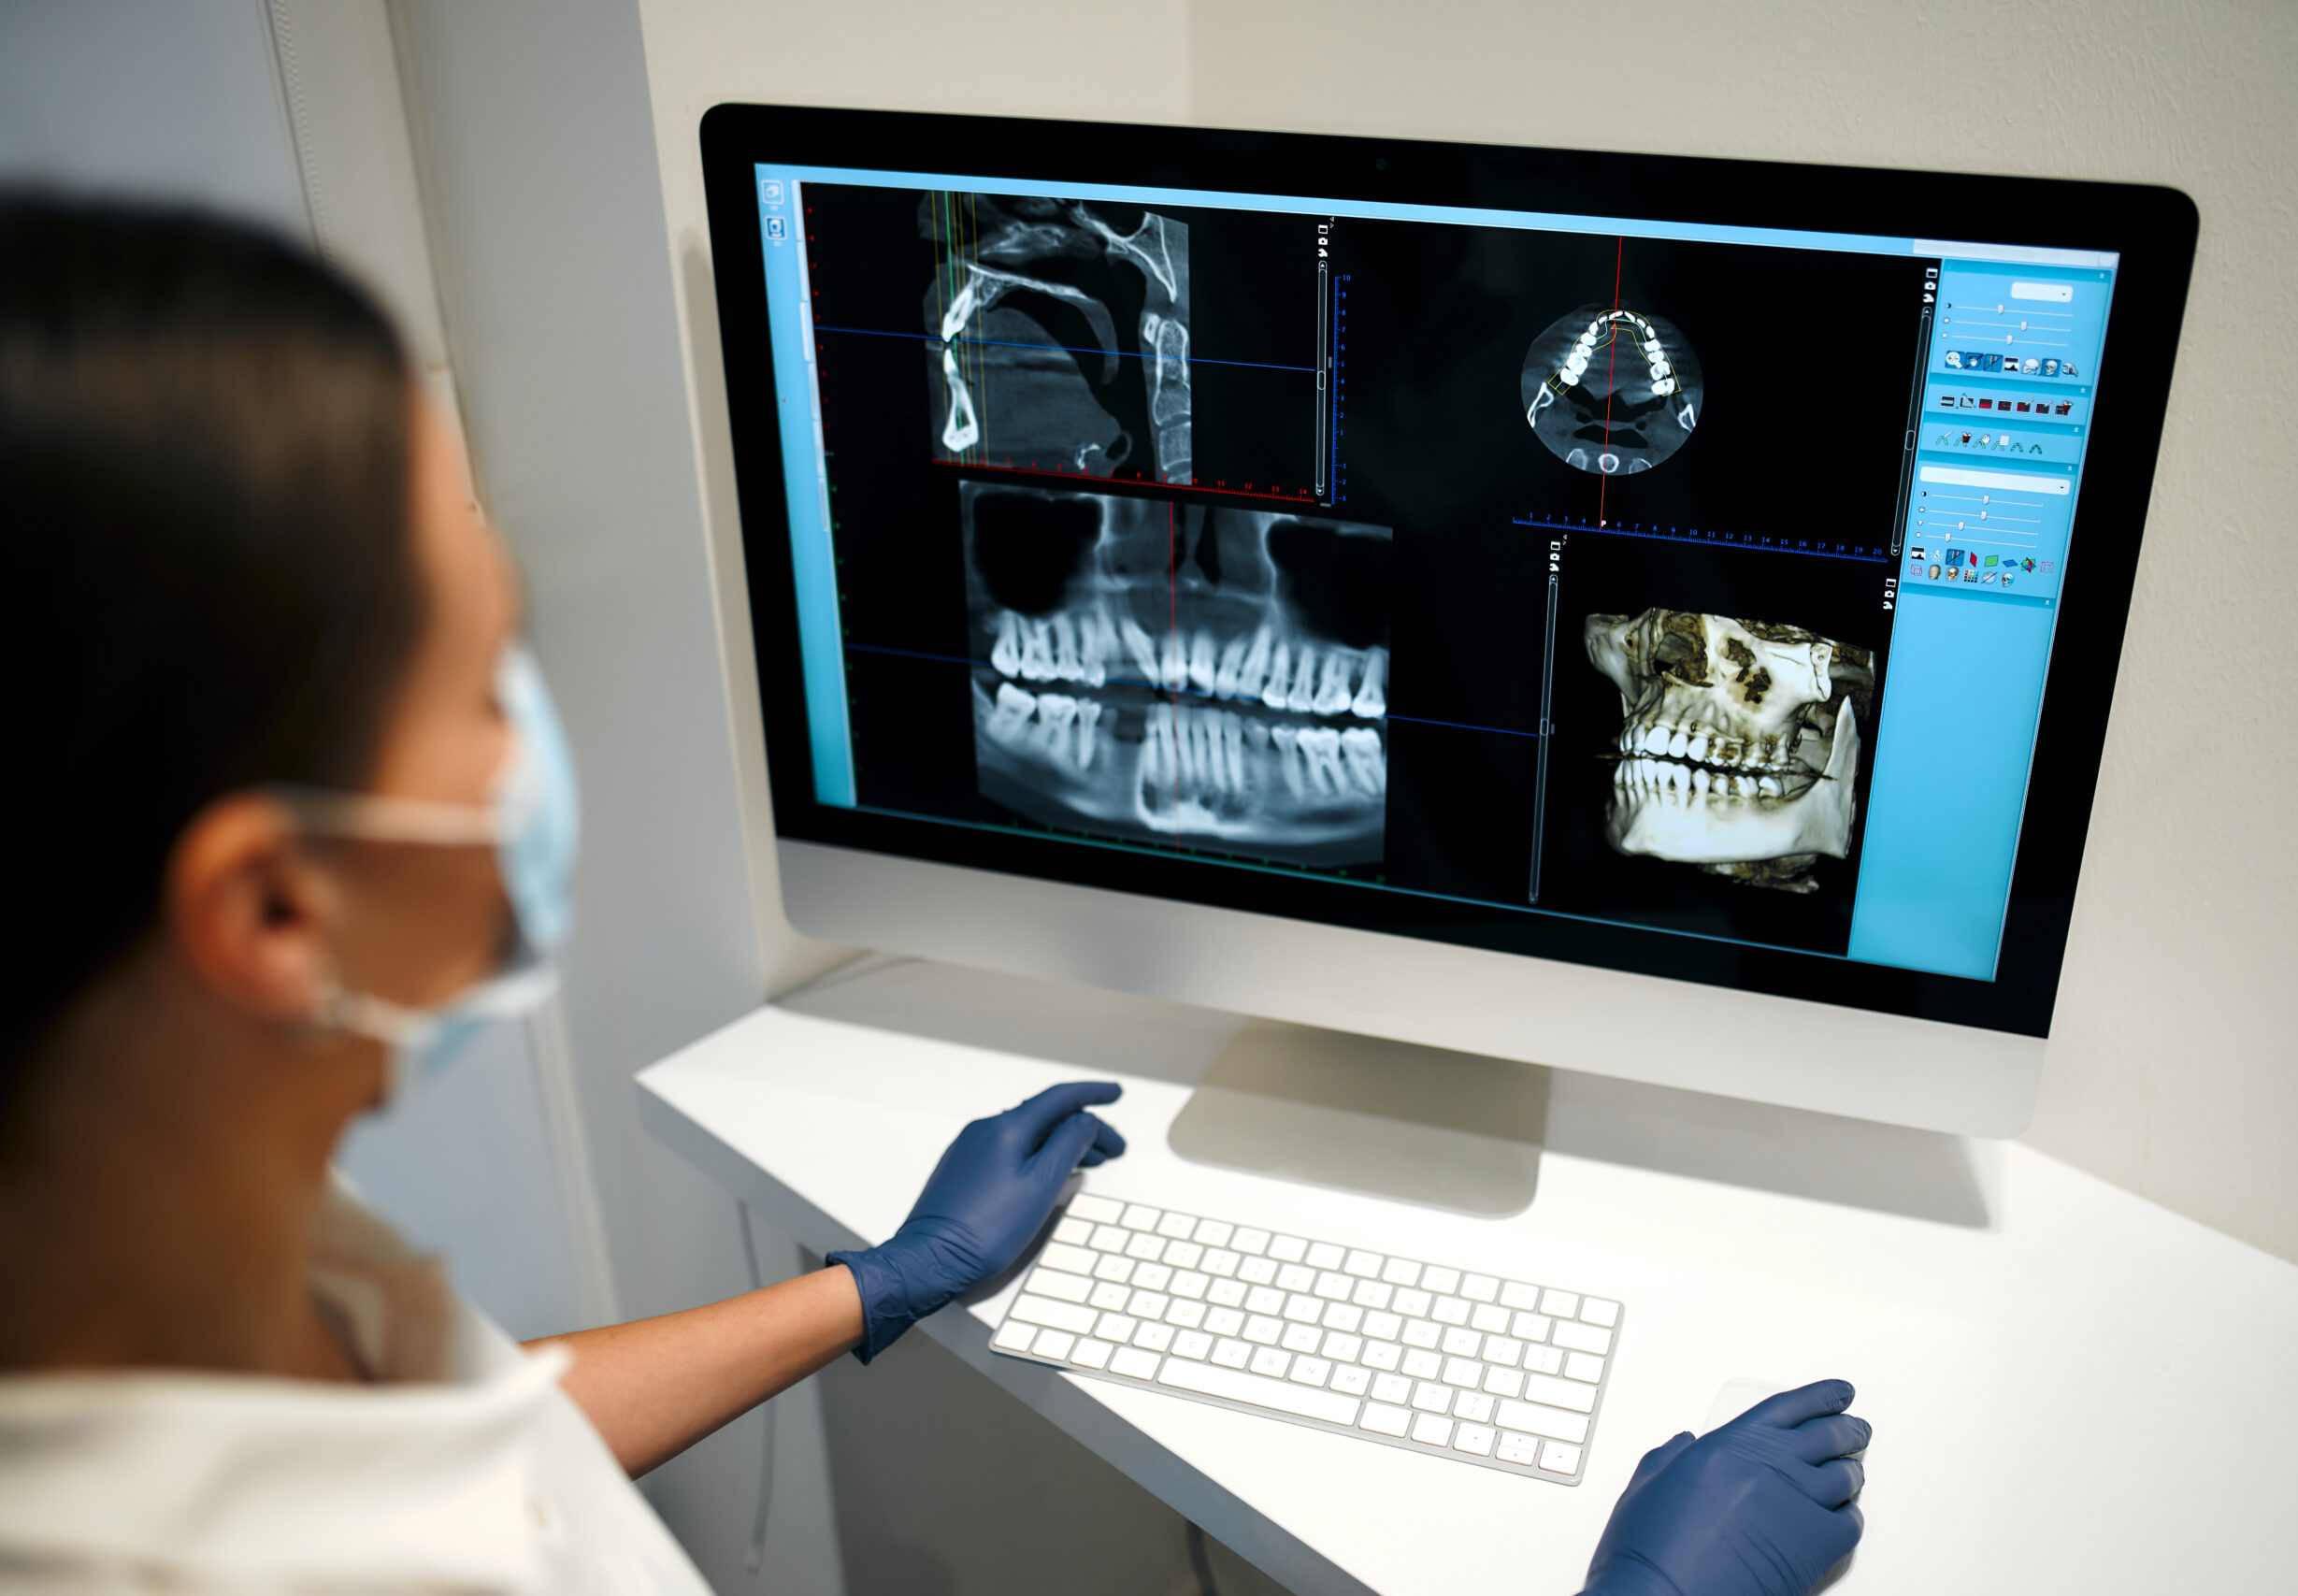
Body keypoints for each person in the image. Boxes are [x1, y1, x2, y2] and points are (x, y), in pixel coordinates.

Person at [0, 200, 1864, 1594]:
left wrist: (868, 1287)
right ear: (269, 916)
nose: (530, 745)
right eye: (487, 685)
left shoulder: (148, 1274)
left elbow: (440, 1437)